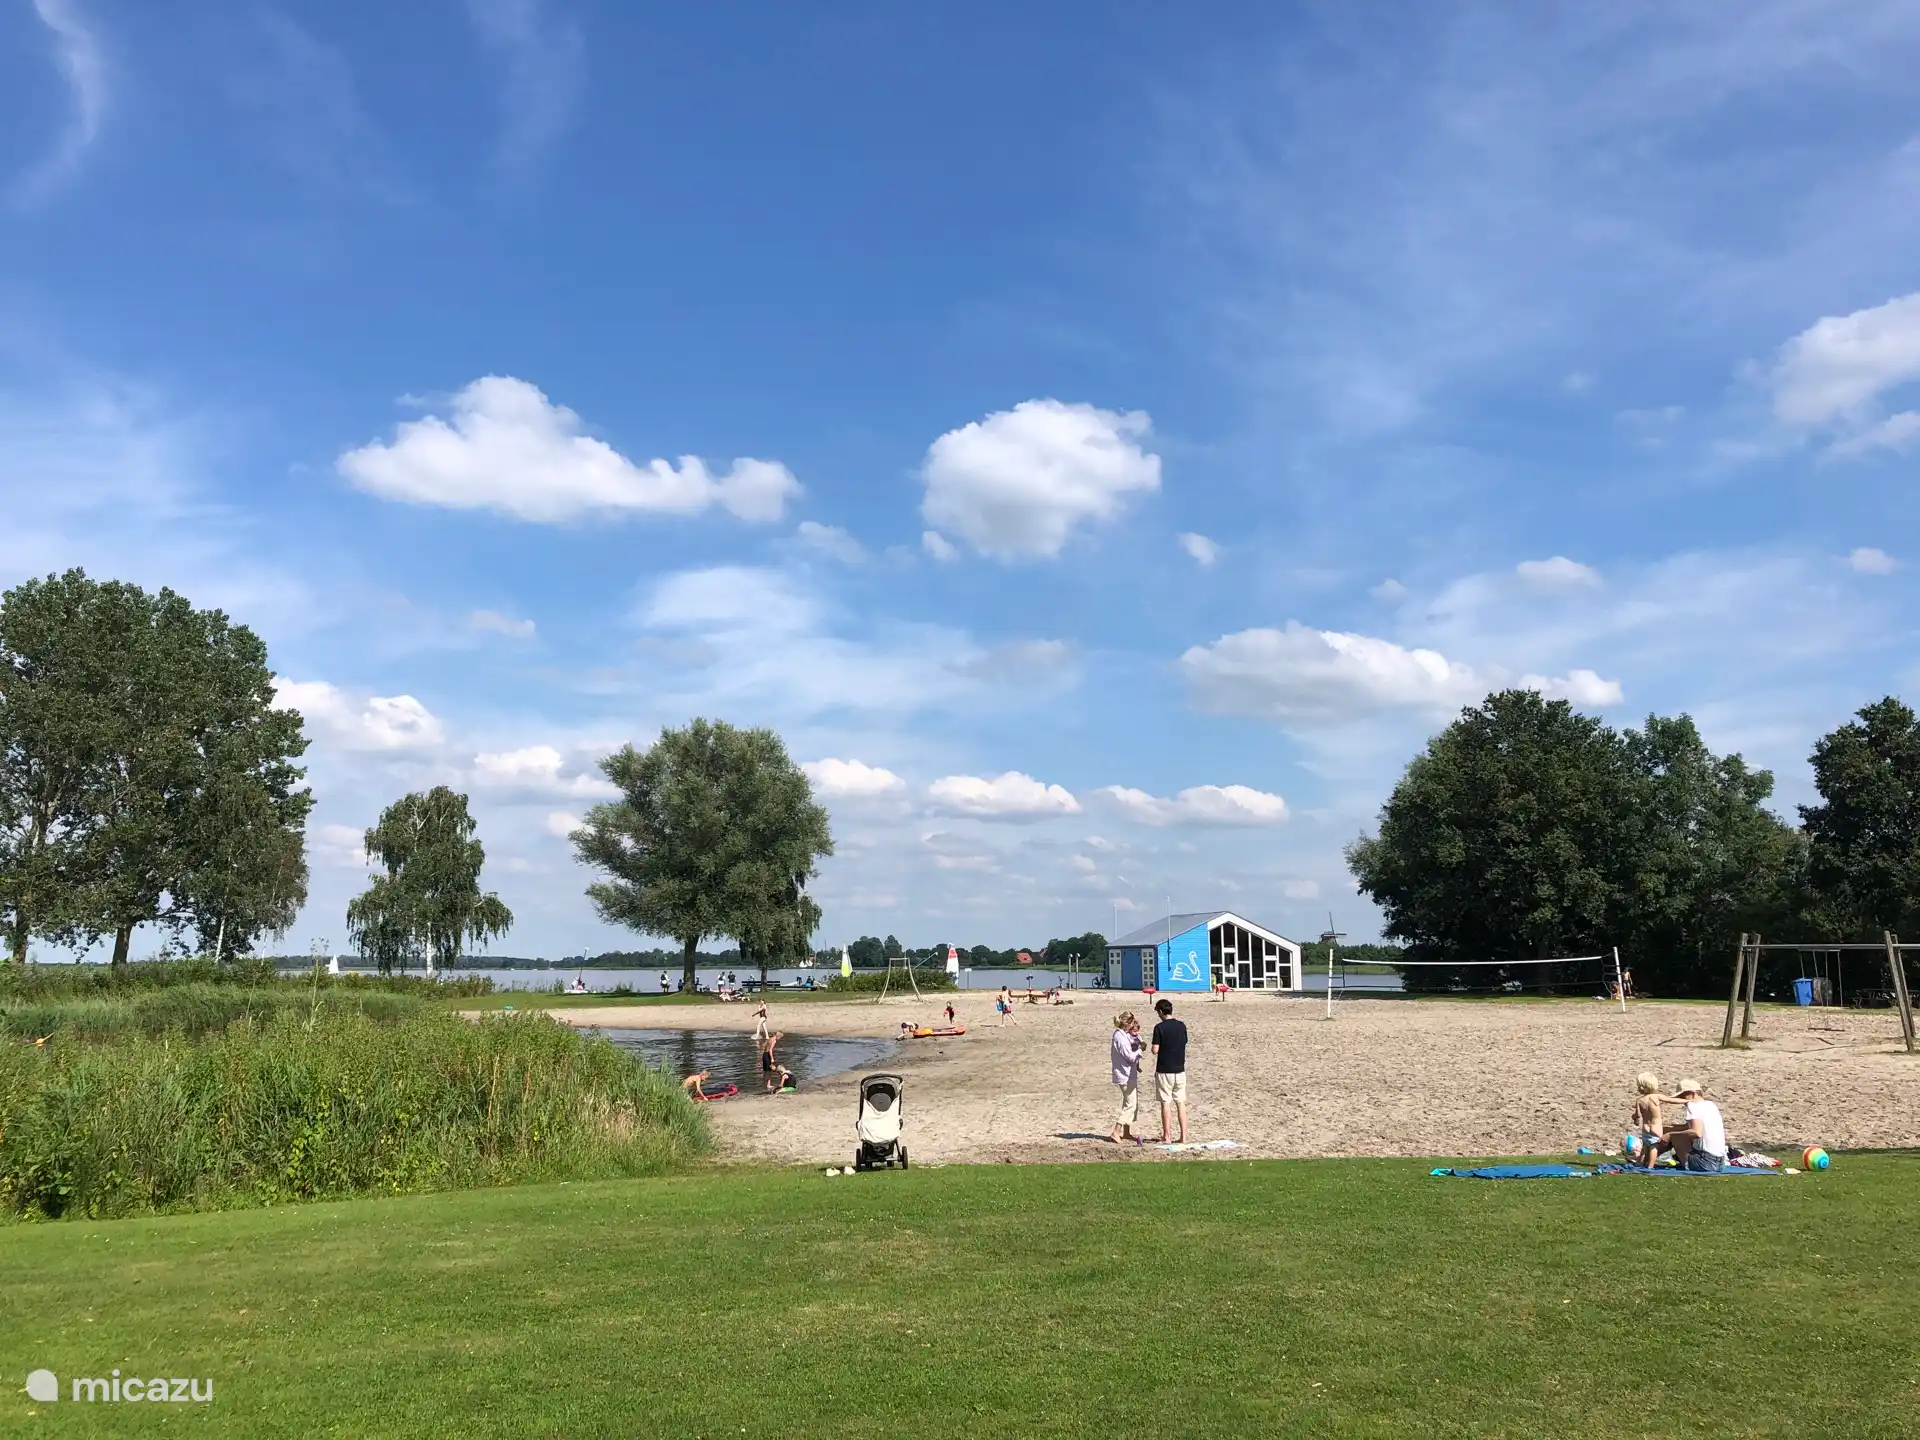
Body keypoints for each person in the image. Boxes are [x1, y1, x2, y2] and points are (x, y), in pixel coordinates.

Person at [1666, 1078, 1728, 1172]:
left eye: (1683, 1096)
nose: (1681, 1100)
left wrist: (1670, 1134)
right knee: (1677, 1133)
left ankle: (1647, 1162)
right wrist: (1672, 1128)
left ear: (1693, 1094)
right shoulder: (1711, 1105)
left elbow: (1696, 1133)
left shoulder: (1693, 1106)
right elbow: (1695, 1127)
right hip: (1720, 1163)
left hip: (1705, 1162)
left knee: (1676, 1137)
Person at [1149, 997, 1189, 1144]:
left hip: (1165, 1069)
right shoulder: (1181, 1026)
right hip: (1180, 1069)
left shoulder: (1159, 1028)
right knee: (1180, 1102)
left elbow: (1155, 1050)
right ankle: (1183, 1136)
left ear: (1161, 1012)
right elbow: (1184, 1042)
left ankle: (1167, 1136)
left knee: (1165, 1102)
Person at [1109, 1011, 1143, 1144]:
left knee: (1129, 1102)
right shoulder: (1120, 1037)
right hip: (1125, 1074)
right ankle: (1116, 1131)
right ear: (1127, 1023)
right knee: (1130, 1104)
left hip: (1127, 1072)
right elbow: (1129, 1056)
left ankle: (1126, 1132)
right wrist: (1140, 1050)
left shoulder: (1122, 1035)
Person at [1630, 1072, 1666, 1167]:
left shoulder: (1639, 1100)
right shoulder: (1656, 1097)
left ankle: (1639, 1163)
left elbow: (1637, 1115)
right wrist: (1686, 1100)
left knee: (1644, 1148)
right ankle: (1650, 1166)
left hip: (1645, 1128)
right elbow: (1672, 1100)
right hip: (1656, 1128)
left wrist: (1634, 1118)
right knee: (1654, 1148)